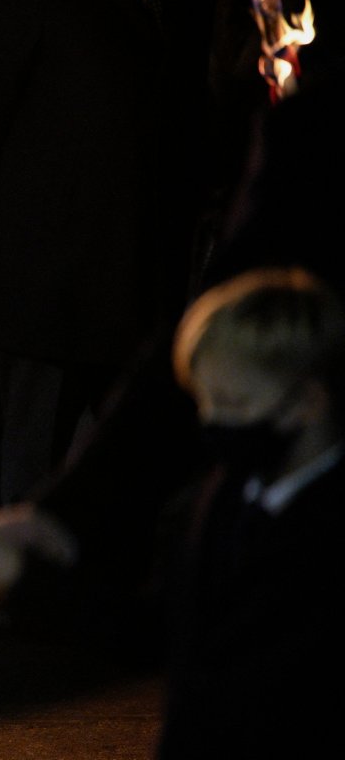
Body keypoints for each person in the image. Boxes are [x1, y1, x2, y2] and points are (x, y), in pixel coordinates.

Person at [0, 0, 216, 504]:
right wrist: (3, 211)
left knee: (133, 474)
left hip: (152, 282)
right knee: (35, 466)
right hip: (49, 278)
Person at [161, 267, 345, 758]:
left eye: (234, 402)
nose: (213, 423)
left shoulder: (325, 536)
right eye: (203, 401)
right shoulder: (219, 499)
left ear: (308, 400)